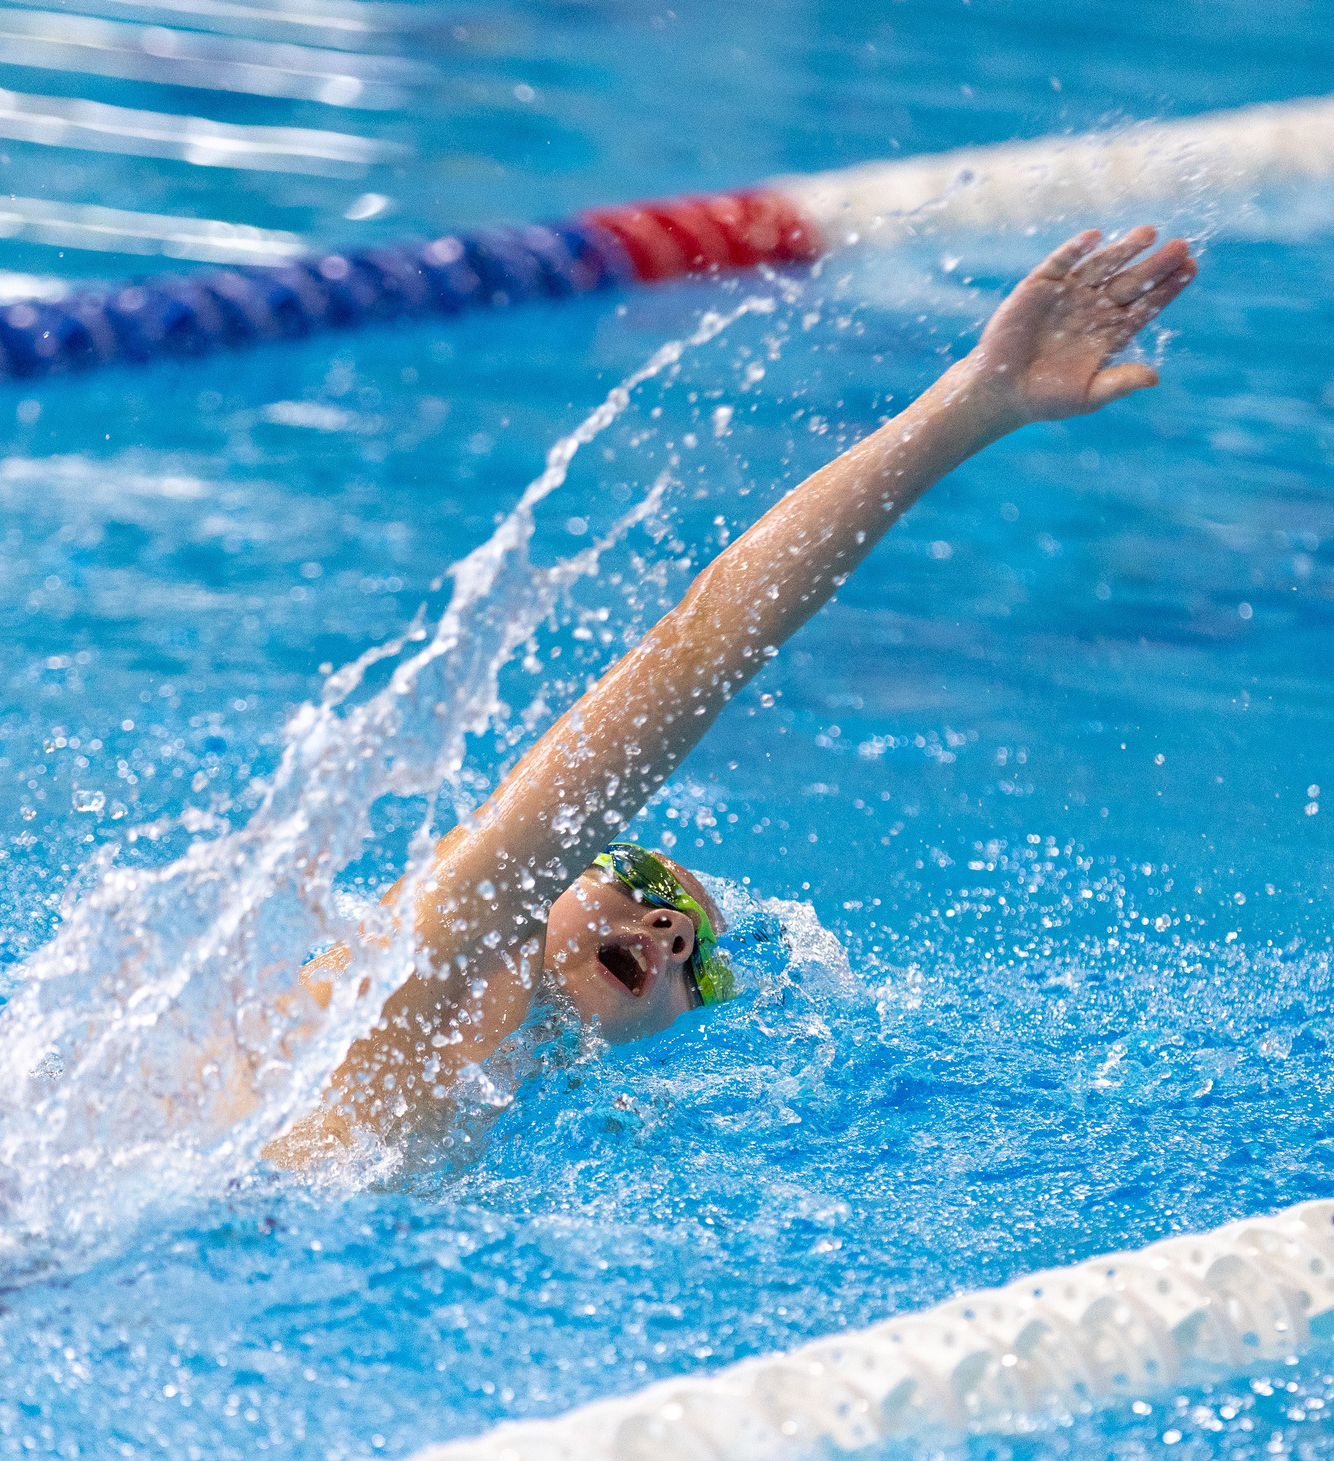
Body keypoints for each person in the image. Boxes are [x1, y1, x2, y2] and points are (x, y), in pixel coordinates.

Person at [278, 224, 1198, 1161]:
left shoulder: (461, 1118)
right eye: (633, 879)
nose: (673, 936)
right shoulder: (413, 979)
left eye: (706, 974)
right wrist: (974, 401)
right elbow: (697, 649)